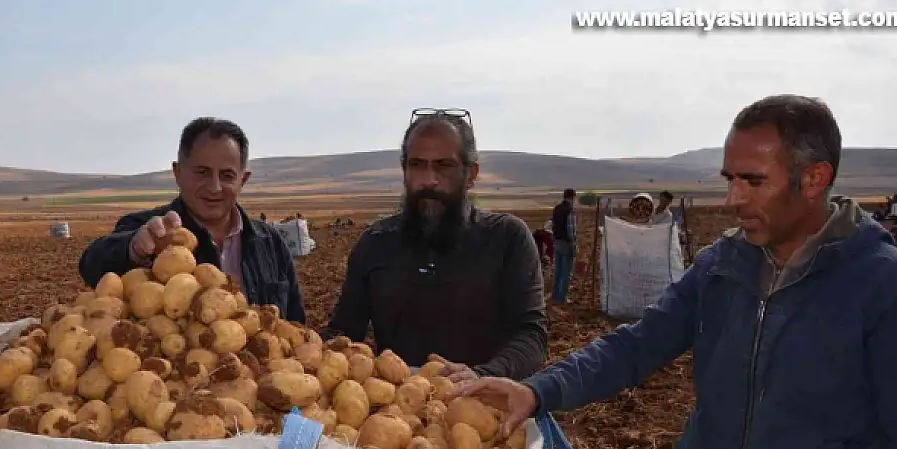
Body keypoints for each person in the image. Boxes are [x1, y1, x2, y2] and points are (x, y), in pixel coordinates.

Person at [451, 94, 897, 449]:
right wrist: (538, 392)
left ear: (815, 179)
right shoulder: (722, 266)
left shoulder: (882, 288)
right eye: (729, 179)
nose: (734, 198)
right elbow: (637, 344)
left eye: (753, 181)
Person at [321, 110, 547, 380]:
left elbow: (531, 335)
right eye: (417, 165)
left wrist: (483, 376)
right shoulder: (375, 243)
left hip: (483, 407)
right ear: (404, 170)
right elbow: (344, 331)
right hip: (399, 411)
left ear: (471, 173)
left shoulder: (506, 238)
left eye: (444, 166)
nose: (429, 180)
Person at [78, 117, 307, 323]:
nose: (214, 187)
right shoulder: (149, 229)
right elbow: (91, 265)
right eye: (202, 172)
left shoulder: (271, 243)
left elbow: (296, 324)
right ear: (178, 173)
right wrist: (134, 249)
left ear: (243, 180)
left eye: (227, 176)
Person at [550, 189, 577, 304]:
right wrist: (574, 246)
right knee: (566, 272)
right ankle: (562, 298)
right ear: (571, 198)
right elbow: (571, 230)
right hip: (566, 243)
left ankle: (555, 295)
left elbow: (552, 224)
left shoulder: (556, 209)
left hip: (557, 242)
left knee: (558, 271)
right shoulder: (570, 211)